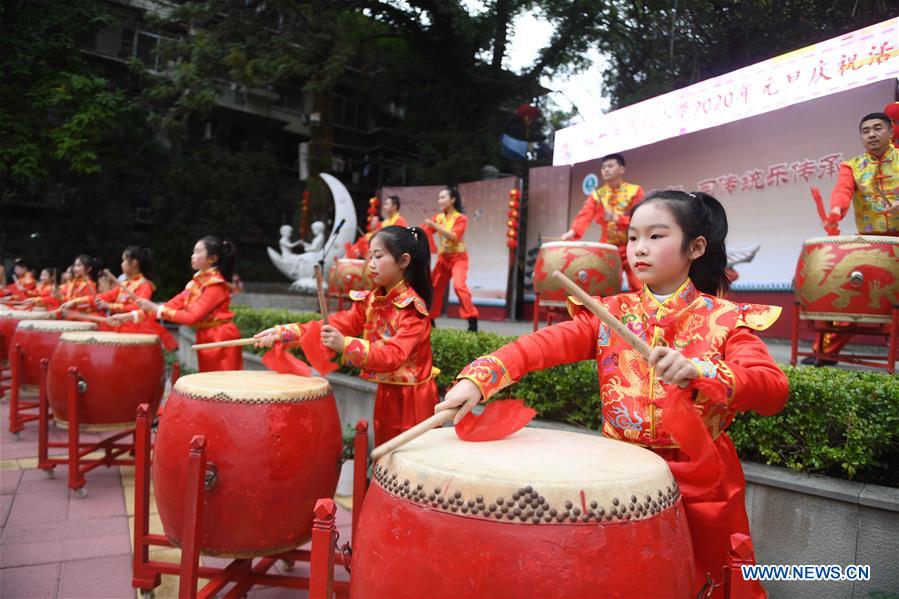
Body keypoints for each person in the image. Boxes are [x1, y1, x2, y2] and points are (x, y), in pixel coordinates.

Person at [439, 190, 788, 598]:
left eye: (656, 237)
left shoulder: (725, 319)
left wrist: (704, 371)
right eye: (634, 238)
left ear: (695, 247)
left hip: (703, 479)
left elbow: (772, 390)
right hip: (623, 472)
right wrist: (478, 379)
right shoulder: (612, 314)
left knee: (707, 581)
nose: (640, 249)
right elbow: (537, 347)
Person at [254, 225, 438, 446]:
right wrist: (283, 333)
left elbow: (394, 355)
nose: (371, 264)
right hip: (388, 391)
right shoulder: (372, 300)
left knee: (409, 457)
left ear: (404, 261)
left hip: (413, 397)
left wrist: (346, 345)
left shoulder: (412, 309)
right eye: (370, 256)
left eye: (378, 256)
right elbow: (335, 324)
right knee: (386, 452)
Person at [809, 112, 899, 364]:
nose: (871, 134)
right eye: (866, 130)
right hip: (872, 245)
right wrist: (836, 210)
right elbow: (843, 190)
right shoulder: (853, 166)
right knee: (851, 298)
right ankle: (824, 353)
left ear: (891, 132)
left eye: (877, 128)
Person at [137, 236, 243, 371]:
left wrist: (156, 308)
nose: (193, 256)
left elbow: (192, 317)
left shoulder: (215, 285)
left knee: (222, 386)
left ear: (212, 259)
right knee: (208, 383)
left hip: (221, 337)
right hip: (207, 335)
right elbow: (171, 305)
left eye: (198, 252)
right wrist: (133, 316)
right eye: (193, 252)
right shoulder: (196, 283)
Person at [561, 153, 645, 291]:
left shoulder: (634, 191)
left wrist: (617, 218)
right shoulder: (597, 194)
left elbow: (641, 218)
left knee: (638, 285)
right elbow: (585, 214)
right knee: (605, 285)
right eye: (603, 167)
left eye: (610, 166)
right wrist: (573, 232)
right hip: (607, 248)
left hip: (631, 245)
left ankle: (643, 311)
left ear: (622, 169)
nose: (605, 169)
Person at [423, 186, 479, 332]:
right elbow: (426, 230)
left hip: (458, 258)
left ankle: (472, 318)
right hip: (443, 259)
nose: (439, 200)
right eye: (439, 197)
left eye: (443, 197)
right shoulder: (438, 217)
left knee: (459, 286)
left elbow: (454, 237)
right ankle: (431, 319)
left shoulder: (461, 218)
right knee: (434, 287)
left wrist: (434, 225)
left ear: (452, 200)